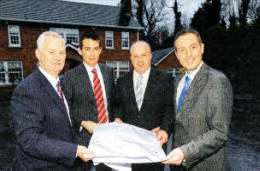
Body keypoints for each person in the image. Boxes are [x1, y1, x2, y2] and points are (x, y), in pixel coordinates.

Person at [11, 31, 93, 171]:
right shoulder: (27, 90)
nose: (58, 58)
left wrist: (83, 122)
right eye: (51, 52)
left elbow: (62, 116)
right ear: (38, 54)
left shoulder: (61, 83)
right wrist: (74, 151)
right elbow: (30, 139)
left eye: (61, 52)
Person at [160, 28, 233, 171]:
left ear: (202, 48)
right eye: (182, 50)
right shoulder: (178, 80)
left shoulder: (217, 81)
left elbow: (220, 132)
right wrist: (165, 130)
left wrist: (185, 152)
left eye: (193, 47)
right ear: (176, 54)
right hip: (178, 166)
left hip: (206, 166)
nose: (188, 55)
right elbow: (177, 116)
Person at [113, 41, 174, 171]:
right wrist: (117, 117)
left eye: (144, 55)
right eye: (135, 56)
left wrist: (165, 129)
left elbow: (170, 109)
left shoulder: (165, 79)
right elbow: (117, 106)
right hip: (128, 147)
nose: (140, 60)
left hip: (154, 144)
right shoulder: (122, 81)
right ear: (130, 59)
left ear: (150, 56)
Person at [63, 29, 115, 171]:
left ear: (100, 50)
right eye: (87, 49)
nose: (92, 54)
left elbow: (113, 102)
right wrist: (83, 122)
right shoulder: (70, 76)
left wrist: (117, 118)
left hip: (107, 138)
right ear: (80, 51)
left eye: (95, 49)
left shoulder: (108, 72)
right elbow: (65, 108)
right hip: (83, 139)